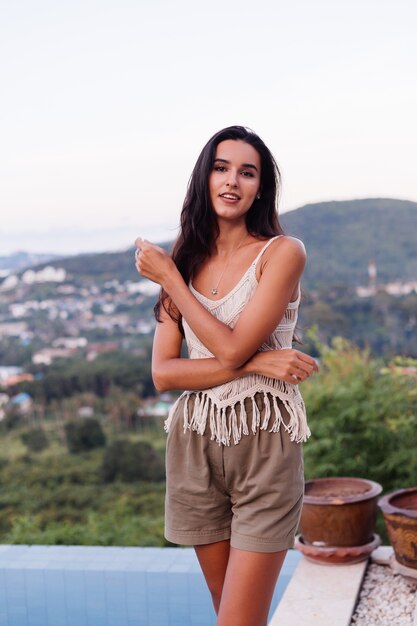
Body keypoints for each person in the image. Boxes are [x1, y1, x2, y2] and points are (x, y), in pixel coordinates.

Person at [134, 125, 318, 626]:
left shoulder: (282, 252)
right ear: (204, 178)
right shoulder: (189, 257)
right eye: (221, 168)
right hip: (194, 440)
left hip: (262, 441)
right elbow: (164, 374)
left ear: (261, 187)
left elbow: (232, 346)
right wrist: (262, 362)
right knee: (231, 616)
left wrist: (169, 276)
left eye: (247, 171)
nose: (232, 180)